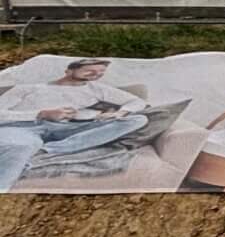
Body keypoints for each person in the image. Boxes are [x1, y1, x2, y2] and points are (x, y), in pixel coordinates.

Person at [0, 59, 149, 194]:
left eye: (101, 72)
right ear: (69, 71)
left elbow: (137, 102)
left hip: (70, 129)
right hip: (23, 127)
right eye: (90, 70)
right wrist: (41, 113)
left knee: (137, 120)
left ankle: (48, 150)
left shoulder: (97, 89)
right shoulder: (27, 88)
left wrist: (120, 113)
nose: (96, 75)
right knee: (21, 146)